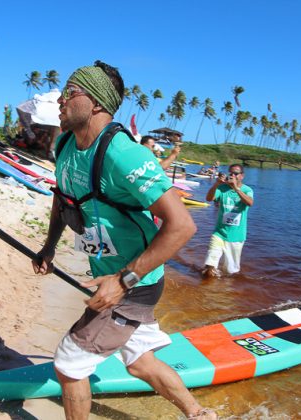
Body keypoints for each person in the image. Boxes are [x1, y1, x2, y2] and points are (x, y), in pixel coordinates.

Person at [32, 61, 216, 420]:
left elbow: (182, 226)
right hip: (114, 276)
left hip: (135, 282)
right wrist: (49, 246)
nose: (61, 99)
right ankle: (198, 414)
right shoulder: (66, 144)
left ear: (96, 103)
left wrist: (123, 280)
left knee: (70, 363)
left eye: (71, 92)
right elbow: (63, 198)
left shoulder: (125, 154)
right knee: (141, 362)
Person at [201, 164, 253, 278]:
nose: (233, 176)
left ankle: (225, 290)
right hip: (219, 233)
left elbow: (250, 202)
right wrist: (216, 184)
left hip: (236, 236)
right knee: (210, 264)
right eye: (231, 173)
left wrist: (236, 188)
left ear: (242, 176)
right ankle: (207, 289)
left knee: (230, 272)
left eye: (236, 174)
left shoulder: (247, 190)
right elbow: (209, 198)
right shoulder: (222, 188)